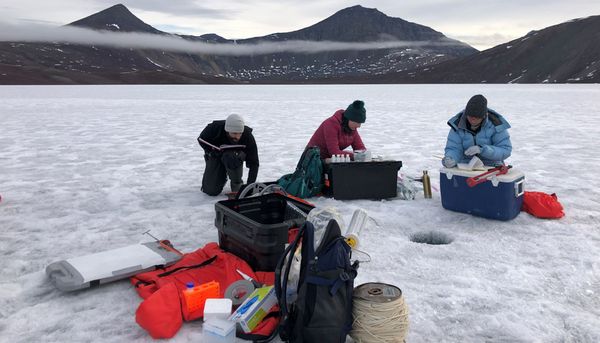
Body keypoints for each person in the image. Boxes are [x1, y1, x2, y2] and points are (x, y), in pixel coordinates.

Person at [442, 94, 512, 168]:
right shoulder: (457, 125)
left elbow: (505, 150)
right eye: (470, 115)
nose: (472, 119)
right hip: (466, 165)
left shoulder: (496, 125)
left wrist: (483, 149)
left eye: (476, 116)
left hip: (492, 166)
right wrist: (451, 158)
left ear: (484, 116)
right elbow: (454, 148)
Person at [198, 114, 259, 195]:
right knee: (211, 191)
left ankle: (236, 183)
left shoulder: (247, 136)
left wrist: (249, 186)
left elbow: (254, 163)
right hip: (216, 156)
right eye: (234, 133)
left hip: (234, 158)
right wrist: (212, 152)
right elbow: (201, 140)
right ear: (227, 130)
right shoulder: (214, 128)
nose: (237, 136)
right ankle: (222, 175)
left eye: (240, 133)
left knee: (231, 157)